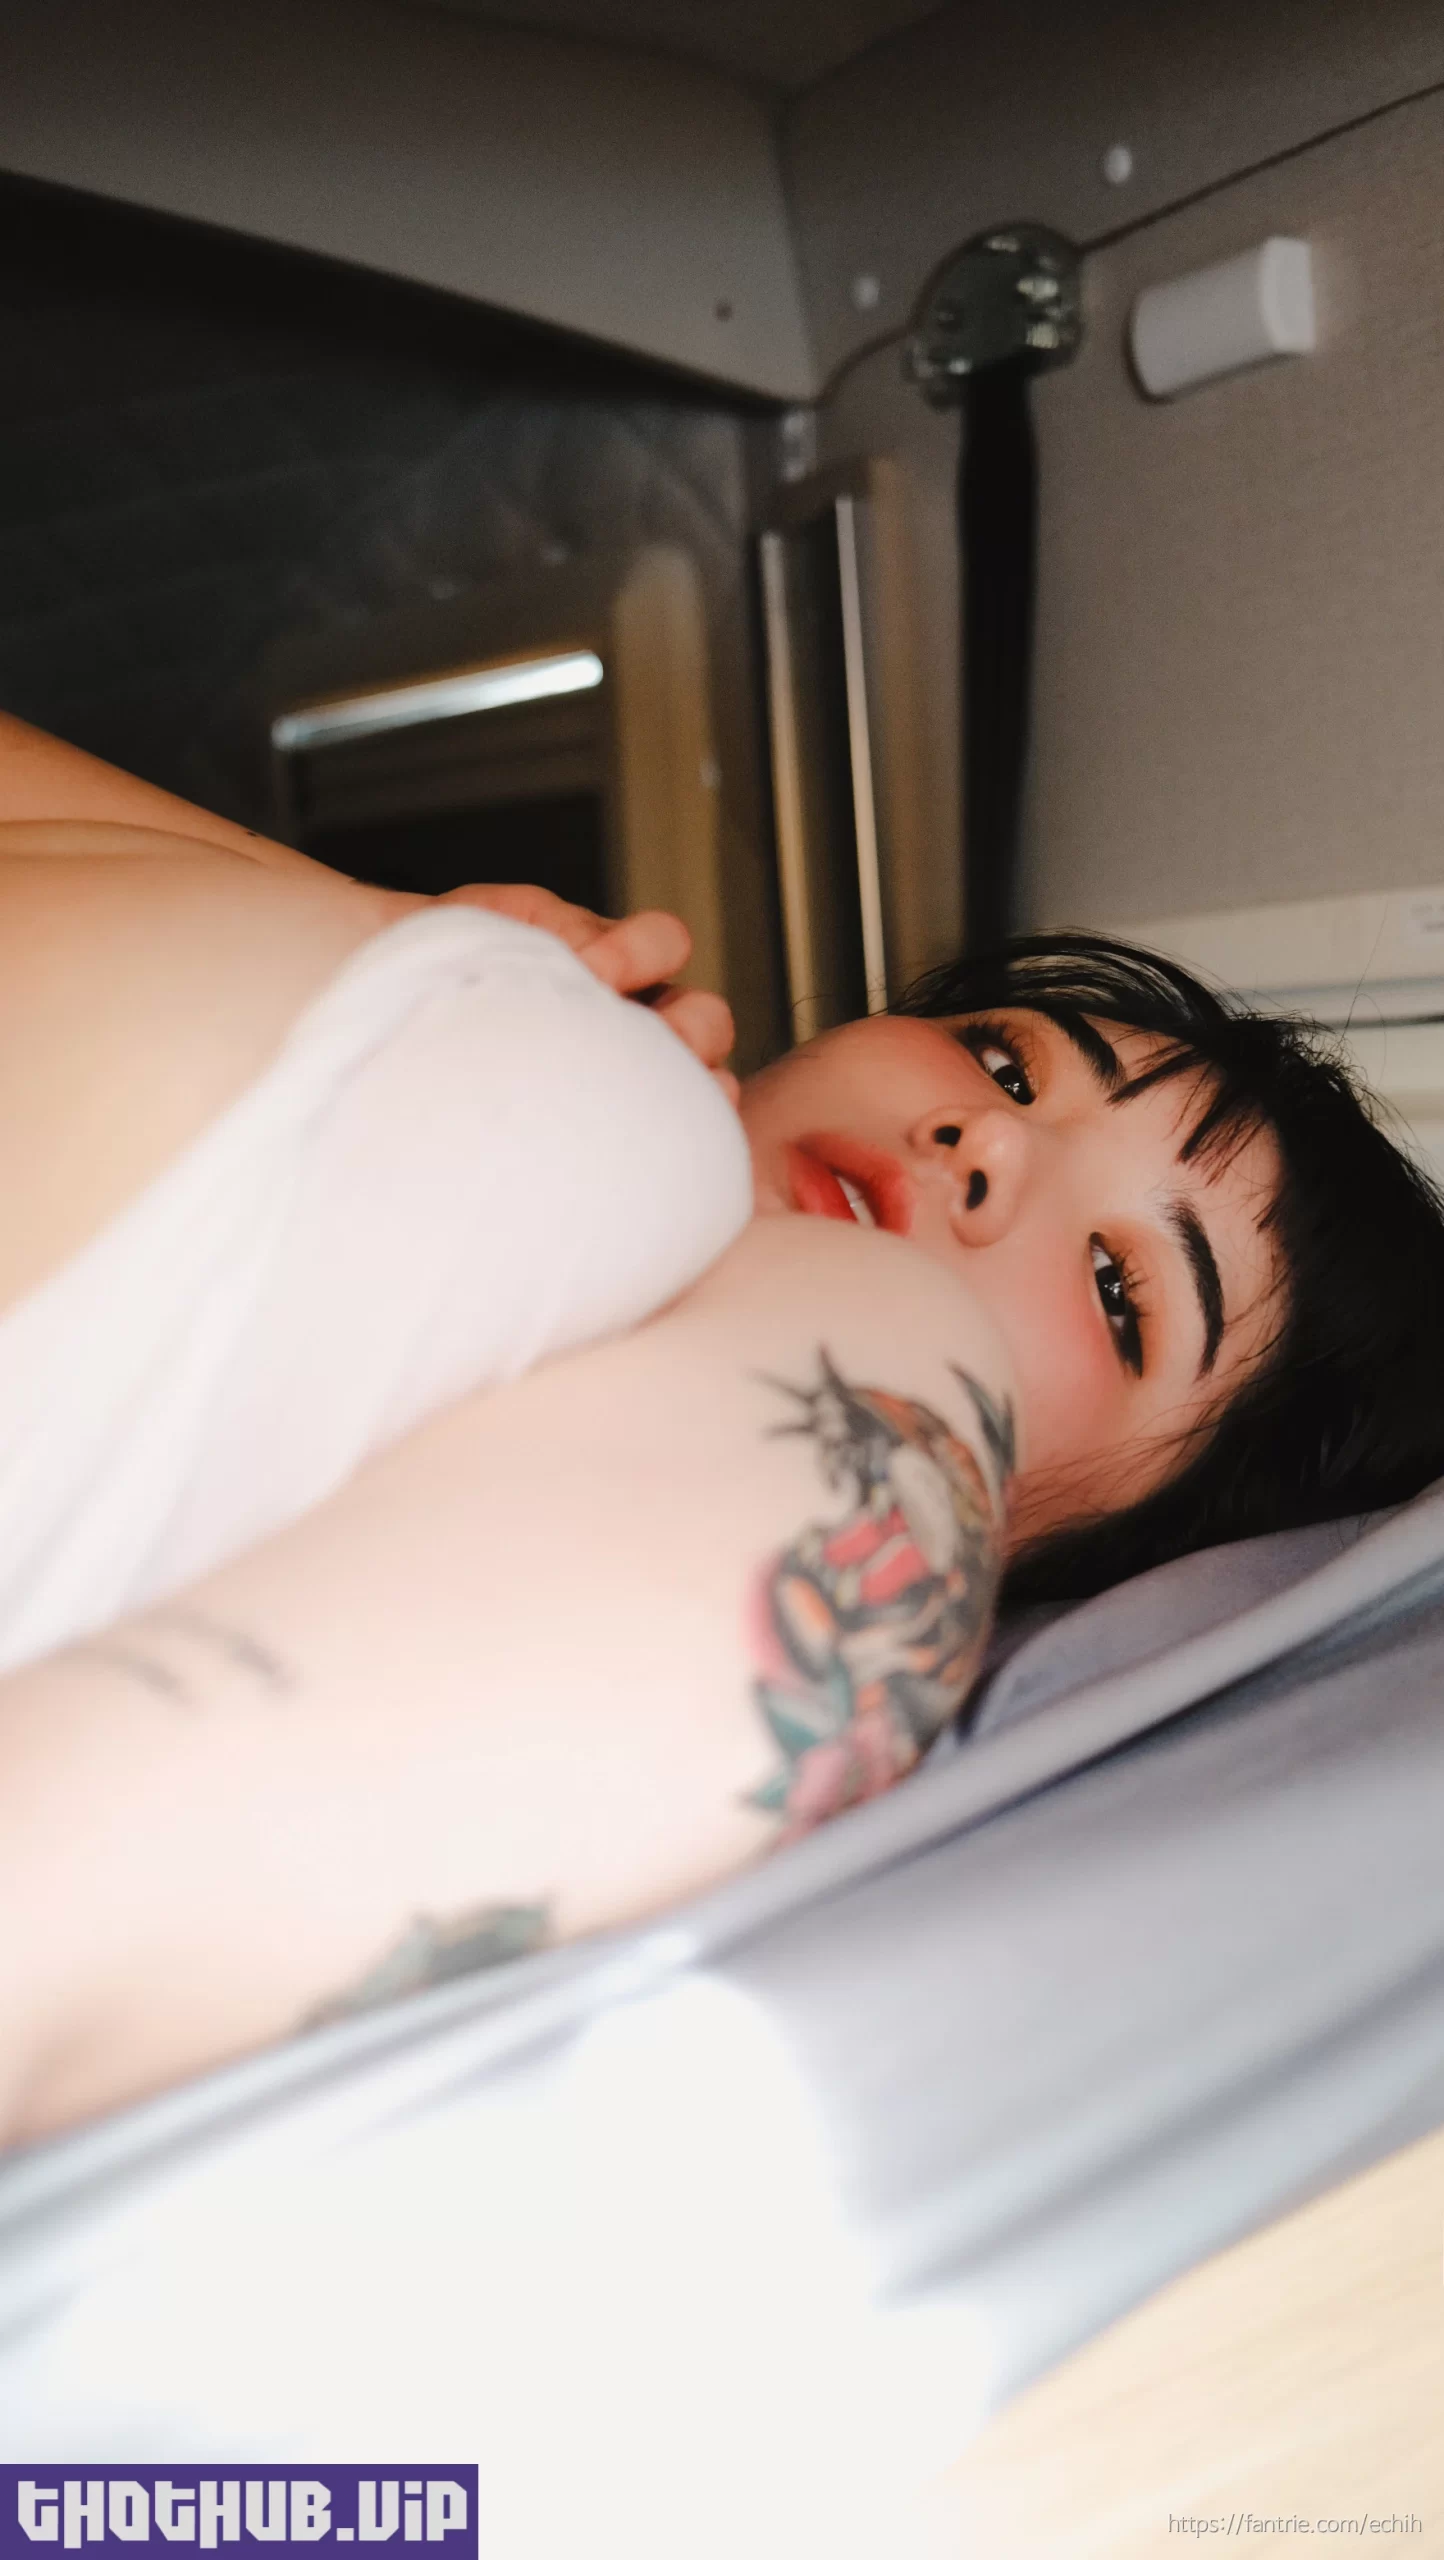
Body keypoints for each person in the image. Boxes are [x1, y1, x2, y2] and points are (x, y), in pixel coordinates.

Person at [0, 710, 1440, 2146]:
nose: (989, 1140)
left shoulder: (889, 1391)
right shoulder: (549, 1027)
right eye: (1008, 1064)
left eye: (1122, 1291)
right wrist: (393, 935)